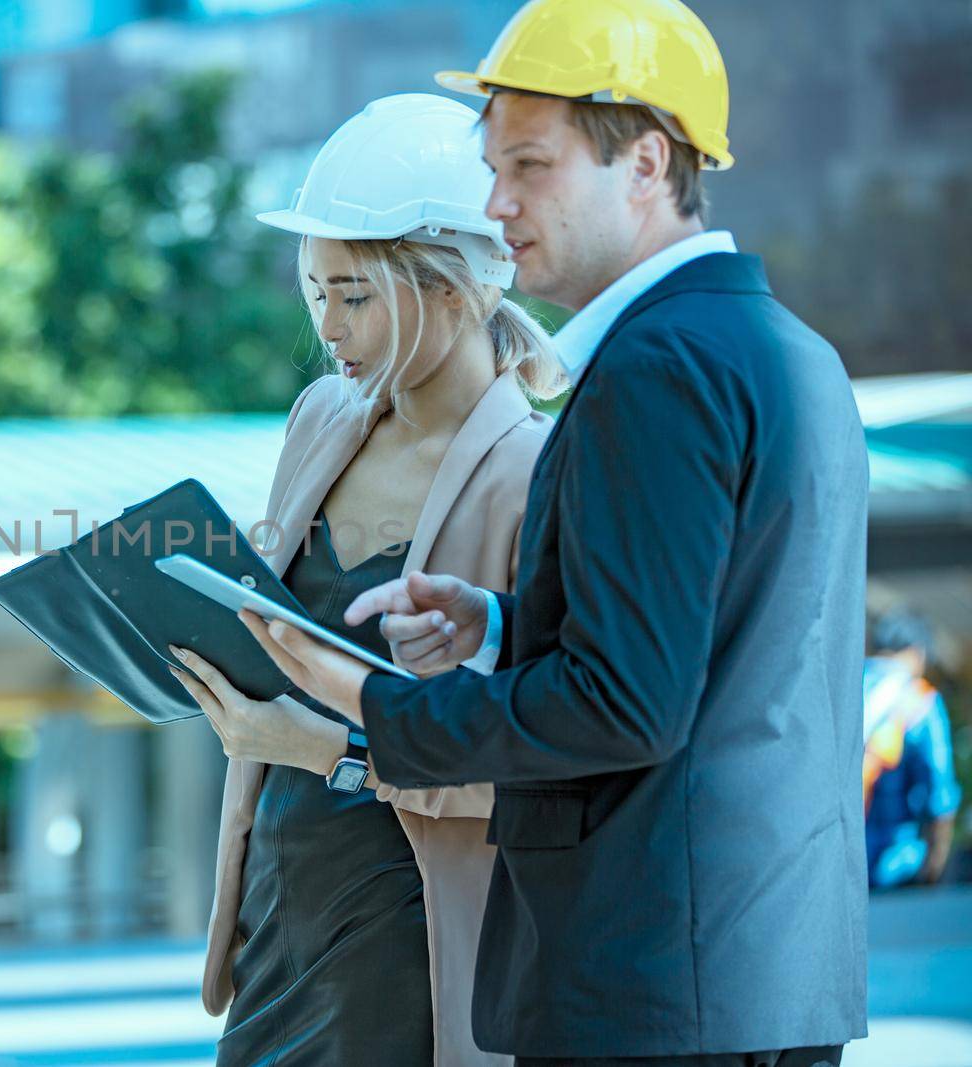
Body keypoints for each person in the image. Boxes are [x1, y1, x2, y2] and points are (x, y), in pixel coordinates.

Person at [228, 1, 870, 1065]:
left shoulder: (653, 371)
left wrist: (366, 701)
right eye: (492, 167)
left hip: (648, 983)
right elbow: (717, 653)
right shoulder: (788, 349)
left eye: (529, 166)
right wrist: (499, 621)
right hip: (761, 975)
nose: (496, 203)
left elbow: (624, 704)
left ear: (647, 163)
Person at [165, 93, 565, 1065]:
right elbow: (280, 636)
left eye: (353, 295)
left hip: (412, 935)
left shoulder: (536, 468)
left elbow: (548, 758)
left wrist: (331, 751)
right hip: (278, 912)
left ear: (452, 289)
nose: (327, 327)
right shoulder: (319, 417)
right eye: (314, 293)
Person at [863, 609, 961, 889]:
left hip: (835, 862)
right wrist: (935, 866)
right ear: (917, 653)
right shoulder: (919, 701)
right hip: (897, 864)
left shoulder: (845, 690)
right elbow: (940, 796)